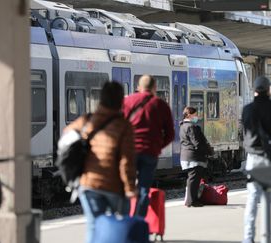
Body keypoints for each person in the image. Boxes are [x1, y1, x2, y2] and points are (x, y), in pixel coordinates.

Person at [64, 82, 137, 243]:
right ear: (120, 101)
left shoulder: (87, 120)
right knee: (120, 226)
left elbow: (66, 137)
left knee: (94, 225)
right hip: (114, 187)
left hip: (88, 184)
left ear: (101, 98)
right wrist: (130, 187)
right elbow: (126, 162)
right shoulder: (124, 126)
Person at [242, 76, 271, 243]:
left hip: (254, 157)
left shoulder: (248, 109)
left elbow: (246, 128)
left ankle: (248, 238)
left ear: (255, 89)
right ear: (269, 90)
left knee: (253, 197)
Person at [123, 75, 174, 217]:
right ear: (155, 88)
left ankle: (125, 223)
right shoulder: (161, 105)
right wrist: (157, 146)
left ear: (138, 87)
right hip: (150, 152)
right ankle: (139, 223)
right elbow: (170, 134)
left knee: (127, 187)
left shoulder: (127, 102)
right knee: (144, 189)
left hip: (129, 151)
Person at [179, 107, 213, 207]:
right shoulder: (191, 127)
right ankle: (192, 201)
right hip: (194, 157)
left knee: (192, 179)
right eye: (195, 115)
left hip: (186, 155)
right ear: (189, 114)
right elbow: (197, 143)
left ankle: (191, 200)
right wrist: (208, 152)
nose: (196, 117)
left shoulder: (182, 126)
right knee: (194, 179)